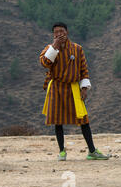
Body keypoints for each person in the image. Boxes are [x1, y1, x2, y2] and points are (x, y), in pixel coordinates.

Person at [40, 22, 109, 161]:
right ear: (53, 35)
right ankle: (61, 151)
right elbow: (44, 63)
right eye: (56, 32)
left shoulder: (77, 49)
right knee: (57, 121)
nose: (59, 34)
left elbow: (84, 69)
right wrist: (55, 47)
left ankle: (92, 151)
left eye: (62, 31)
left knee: (83, 119)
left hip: (73, 87)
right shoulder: (50, 48)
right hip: (56, 88)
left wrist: (84, 88)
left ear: (67, 32)